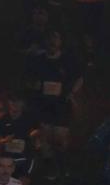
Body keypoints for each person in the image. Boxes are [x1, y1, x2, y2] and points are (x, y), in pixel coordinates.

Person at [27, 30, 83, 176]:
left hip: (61, 105)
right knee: (44, 136)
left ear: (60, 42)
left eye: (55, 38)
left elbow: (79, 78)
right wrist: (34, 85)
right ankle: (49, 164)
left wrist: (72, 93)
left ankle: (63, 164)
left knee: (61, 138)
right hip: (43, 104)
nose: (52, 42)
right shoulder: (38, 59)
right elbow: (29, 79)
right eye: (49, 38)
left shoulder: (68, 60)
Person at [0, 91, 37, 185]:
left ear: (23, 104)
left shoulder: (29, 118)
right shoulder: (4, 120)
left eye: (17, 102)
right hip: (7, 161)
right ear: (8, 103)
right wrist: (4, 141)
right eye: (12, 102)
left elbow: (39, 131)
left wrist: (33, 136)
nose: (14, 105)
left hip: (24, 159)